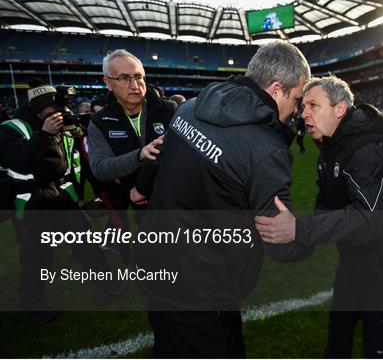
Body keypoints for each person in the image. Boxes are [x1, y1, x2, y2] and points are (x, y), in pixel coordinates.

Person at [130, 40, 313, 358]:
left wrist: (140, 188)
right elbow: (282, 246)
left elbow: (158, 161)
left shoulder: (189, 108)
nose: (296, 110)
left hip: (155, 266)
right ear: (275, 89)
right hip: (201, 290)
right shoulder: (265, 150)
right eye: (296, 99)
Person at [255, 76, 383, 358]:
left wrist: (297, 228)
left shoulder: (369, 148)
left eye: (313, 105)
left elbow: (367, 221)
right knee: (337, 341)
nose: (303, 112)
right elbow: (325, 209)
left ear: (340, 109)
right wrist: (286, 244)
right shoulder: (329, 150)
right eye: (303, 105)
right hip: (353, 267)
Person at [0, 79, 117, 323]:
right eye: (53, 111)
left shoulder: (65, 127)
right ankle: (34, 304)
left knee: (86, 243)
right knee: (37, 257)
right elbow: (18, 162)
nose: (59, 115)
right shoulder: (11, 128)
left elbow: (73, 166)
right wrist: (44, 135)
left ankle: (107, 284)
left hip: (64, 198)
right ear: (39, 110)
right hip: (31, 202)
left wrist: (89, 197)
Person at [88, 49, 177, 228]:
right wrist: (139, 155)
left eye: (139, 77)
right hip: (142, 209)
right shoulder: (99, 122)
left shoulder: (171, 111)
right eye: (124, 78)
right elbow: (101, 169)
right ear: (108, 82)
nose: (135, 85)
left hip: (178, 204)